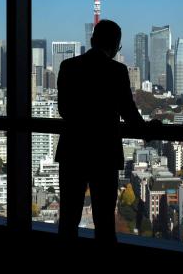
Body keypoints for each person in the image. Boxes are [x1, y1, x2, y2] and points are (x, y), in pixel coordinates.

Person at [55, 19, 150, 247]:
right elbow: (129, 113)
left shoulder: (68, 66)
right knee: (104, 221)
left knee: (68, 218)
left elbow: (63, 110)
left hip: (72, 149)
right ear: (116, 46)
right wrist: (149, 129)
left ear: (91, 40)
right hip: (104, 153)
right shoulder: (116, 71)